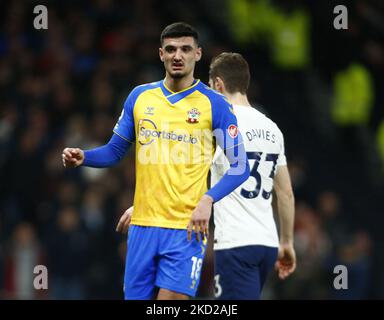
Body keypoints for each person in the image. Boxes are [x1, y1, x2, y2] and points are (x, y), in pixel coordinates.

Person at [62, 23, 250, 300]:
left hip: (186, 229)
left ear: (198, 54)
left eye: (185, 49)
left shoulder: (215, 105)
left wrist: (207, 200)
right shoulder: (140, 97)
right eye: (171, 49)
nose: (178, 55)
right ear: (160, 54)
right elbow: (115, 151)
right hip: (143, 225)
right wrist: (84, 157)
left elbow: (240, 166)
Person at [209, 52, 296, 299]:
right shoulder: (272, 128)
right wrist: (286, 243)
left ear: (218, 84)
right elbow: (286, 193)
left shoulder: (219, 124)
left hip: (235, 244)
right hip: (267, 244)